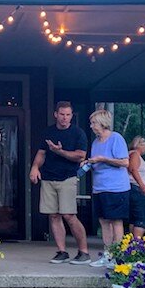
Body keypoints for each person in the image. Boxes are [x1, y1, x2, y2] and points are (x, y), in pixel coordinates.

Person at [29, 102, 91, 264]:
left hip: (68, 178)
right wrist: (35, 167)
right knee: (53, 215)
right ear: (55, 114)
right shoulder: (48, 132)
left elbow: (80, 156)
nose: (65, 118)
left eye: (68, 115)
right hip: (48, 177)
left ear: (71, 116)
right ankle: (62, 251)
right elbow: (41, 153)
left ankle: (84, 252)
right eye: (62, 114)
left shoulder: (78, 133)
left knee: (69, 215)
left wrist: (60, 151)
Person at [82, 109, 129, 267]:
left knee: (116, 221)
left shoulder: (116, 138)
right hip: (99, 187)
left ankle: (118, 256)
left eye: (93, 123)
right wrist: (88, 163)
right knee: (103, 221)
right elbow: (97, 162)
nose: (91, 126)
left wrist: (103, 159)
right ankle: (107, 255)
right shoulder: (95, 142)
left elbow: (125, 162)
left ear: (102, 123)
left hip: (116, 188)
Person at [127, 136, 145, 238]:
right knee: (140, 218)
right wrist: (142, 186)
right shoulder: (134, 154)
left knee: (134, 218)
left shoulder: (132, 154)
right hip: (138, 190)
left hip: (135, 189)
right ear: (139, 145)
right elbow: (133, 169)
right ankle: (137, 243)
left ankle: (132, 242)